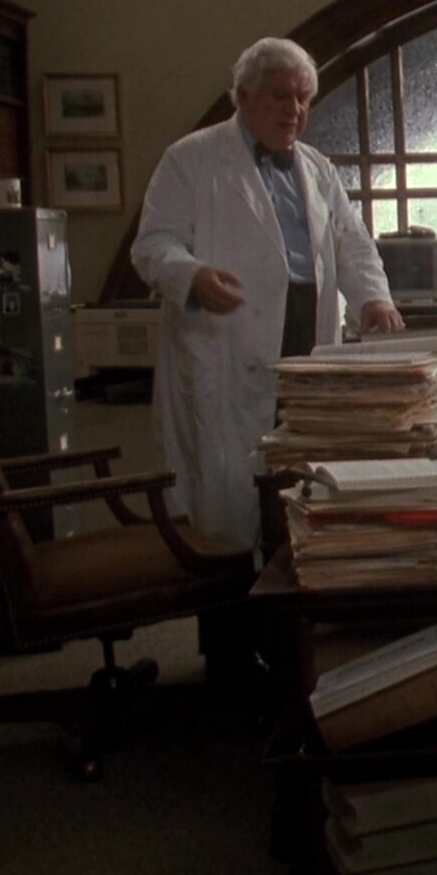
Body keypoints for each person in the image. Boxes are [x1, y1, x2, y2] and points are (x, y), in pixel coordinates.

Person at [133, 37, 404, 550]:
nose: (294, 110)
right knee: (230, 508)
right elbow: (153, 245)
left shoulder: (317, 167)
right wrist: (192, 276)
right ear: (242, 97)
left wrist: (374, 298)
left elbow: (351, 241)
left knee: (303, 483)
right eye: (281, 96)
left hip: (306, 337)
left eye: (303, 99)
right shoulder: (191, 159)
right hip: (226, 340)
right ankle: (233, 588)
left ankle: (295, 573)